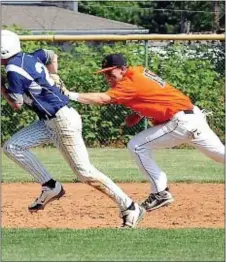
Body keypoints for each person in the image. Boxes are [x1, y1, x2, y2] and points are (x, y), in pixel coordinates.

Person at [1, 30, 146, 228]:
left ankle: (129, 206)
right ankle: (50, 186)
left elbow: (16, 105)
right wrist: (54, 75)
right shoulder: (29, 56)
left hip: (63, 121)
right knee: (12, 147)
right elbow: (51, 55)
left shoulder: (12, 70)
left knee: (85, 172)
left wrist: (2, 87)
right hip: (48, 121)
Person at [66, 53, 225, 212]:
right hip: (193, 116)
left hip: (180, 122)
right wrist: (139, 113)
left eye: (110, 73)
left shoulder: (128, 83)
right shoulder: (139, 71)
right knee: (219, 155)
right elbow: (152, 93)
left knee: (136, 146)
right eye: (104, 74)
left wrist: (69, 94)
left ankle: (160, 193)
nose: (107, 77)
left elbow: (102, 99)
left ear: (122, 69)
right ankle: (160, 192)